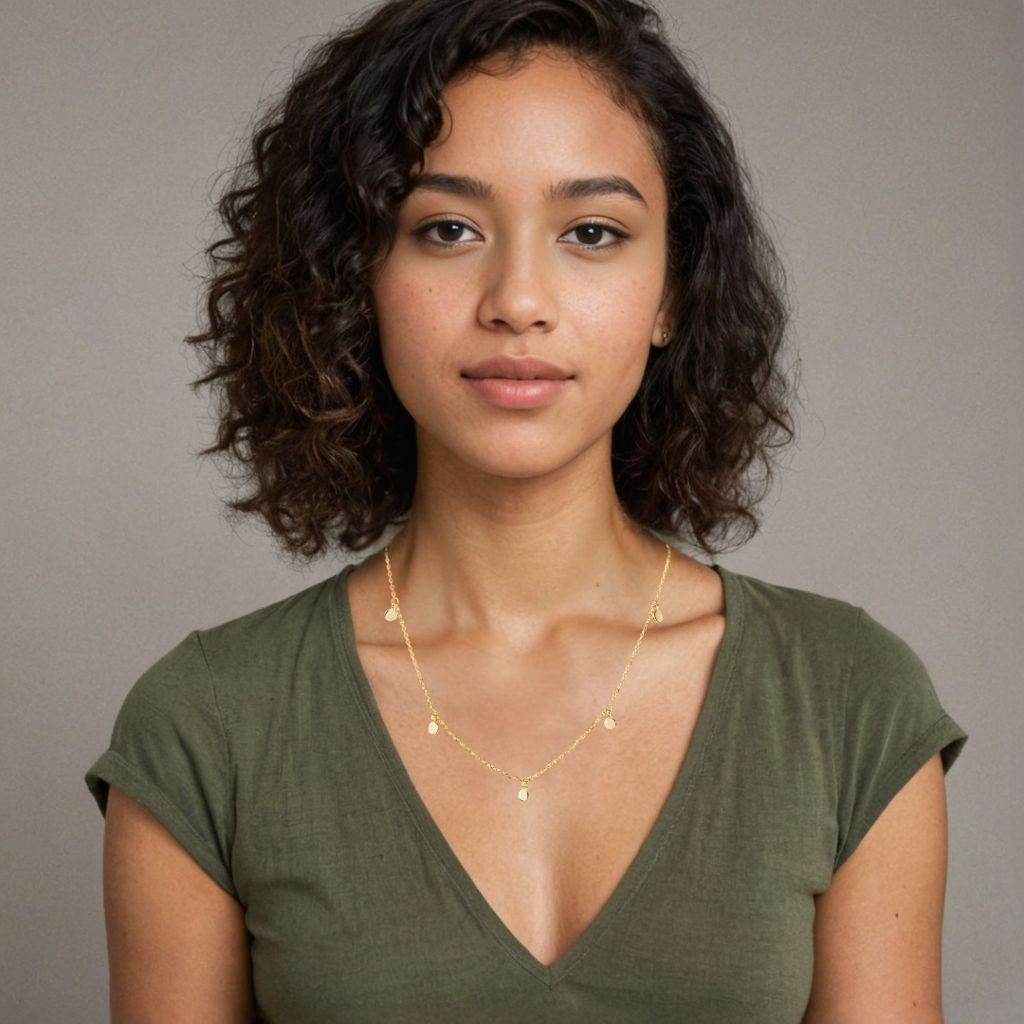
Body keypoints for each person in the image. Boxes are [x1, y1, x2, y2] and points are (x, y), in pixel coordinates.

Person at [83, 1, 968, 1020]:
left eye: (592, 232)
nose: (517, 297)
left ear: (671, 289)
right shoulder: (207, 729)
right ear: (353, 277)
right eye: (445, 228)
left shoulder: (846, 703)